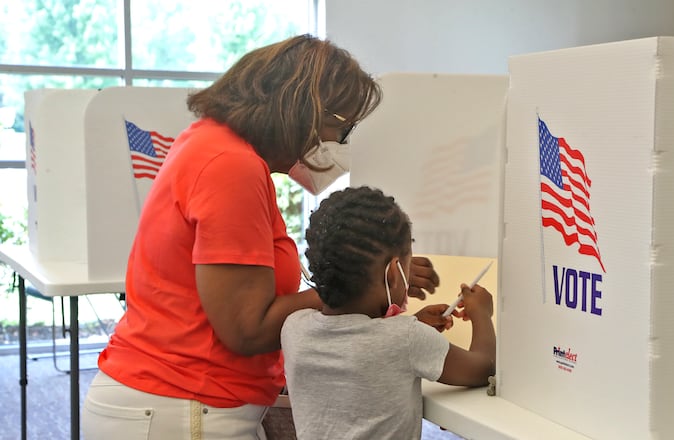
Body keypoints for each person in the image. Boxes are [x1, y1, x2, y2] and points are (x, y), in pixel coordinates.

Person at [81, 34, 441, 440]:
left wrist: (370, 284)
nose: (333, 145)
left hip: (173, 401)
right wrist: (363, 283)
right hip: (183, 403)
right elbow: (246, 329)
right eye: (338, 127)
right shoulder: (230, 167)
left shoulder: (212, 145)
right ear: (302, 112)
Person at [281, 186, 496, 440]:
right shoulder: (407, 339)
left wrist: (412, 324)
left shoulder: (293, 329)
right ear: (394, 273)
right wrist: (482, 314)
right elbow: (484, 368)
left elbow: (361, 342)